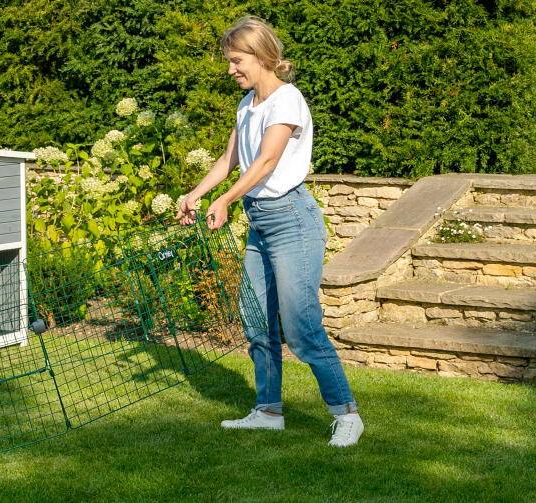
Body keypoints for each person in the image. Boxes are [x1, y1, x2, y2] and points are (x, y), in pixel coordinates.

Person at [174, 15, 363, 447]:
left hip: (292, 220)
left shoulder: (287, 100)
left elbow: (266, 161)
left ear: (261, 57)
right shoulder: (248, 105)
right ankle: (268, 411)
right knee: (257, 320)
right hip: (261, 223)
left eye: (236, 60)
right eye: (229, 61)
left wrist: (225, 200)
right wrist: (196, 194)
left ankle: (347, 414)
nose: (230, 70)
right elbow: (231, 160)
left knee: (301, 327)